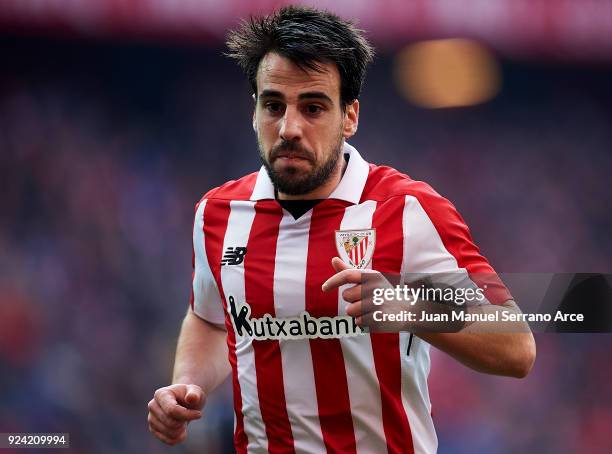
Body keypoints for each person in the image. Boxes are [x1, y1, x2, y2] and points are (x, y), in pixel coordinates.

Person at [147, 6, 536, 453]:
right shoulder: (216, 215)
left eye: (313, 107)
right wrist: (186, 386)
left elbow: (515, 345)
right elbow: (211, 319)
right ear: (254, 111)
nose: (289, 127)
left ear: (350, 117)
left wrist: (407, 307)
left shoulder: (408, 210)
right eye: (273, 105)